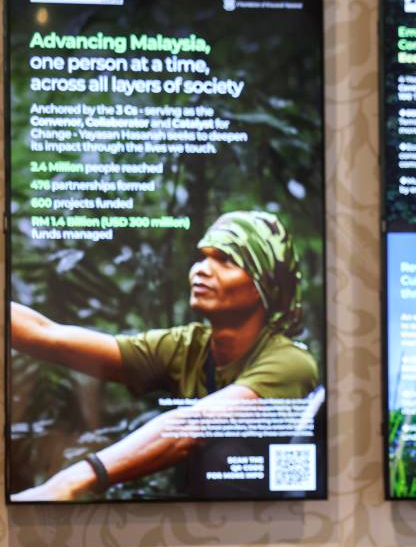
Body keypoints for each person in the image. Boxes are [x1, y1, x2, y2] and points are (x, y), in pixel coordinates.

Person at [10, 210, 318, 501]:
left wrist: (68, 482)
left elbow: (192, 427)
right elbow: (47, 336)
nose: (201, 270)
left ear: (263, 282)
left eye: (225, 260)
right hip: (198, 528)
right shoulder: (188, 347)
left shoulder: (291, 363)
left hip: (275, 530)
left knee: (224, 454)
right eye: (202, 258)